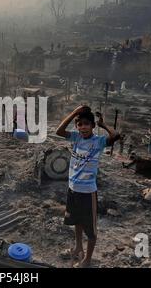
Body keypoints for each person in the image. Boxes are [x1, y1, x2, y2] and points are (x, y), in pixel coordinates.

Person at [56, 106, 120, 268]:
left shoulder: (98, 141)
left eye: (86, 124)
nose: (83, 127)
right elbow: (59, 131)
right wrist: (75, 112)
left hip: (87, 192)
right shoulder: (76, 138)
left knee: (90, 230)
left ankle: (88, 260)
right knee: (76, 220)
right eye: (80, 124)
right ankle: (78, 246)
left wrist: (103, 125)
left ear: (92, 126)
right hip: (73, 189)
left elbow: (115, 136)